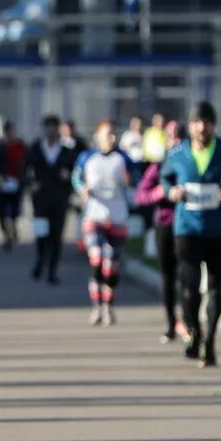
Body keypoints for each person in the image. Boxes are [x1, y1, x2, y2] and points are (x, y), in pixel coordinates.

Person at [159, 101, 221, 368]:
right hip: (187, 230)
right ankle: (194, 332)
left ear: (213, 124)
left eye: (207, 122)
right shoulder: (178, 153)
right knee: (189, 288)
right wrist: (172, 192)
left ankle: (209, 342)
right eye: (197, 122)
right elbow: (164, 178)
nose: (202, 127)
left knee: (215, 287)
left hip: (217, 230)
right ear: (190, 126)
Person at [133, 119, 186, 343]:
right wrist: (158, 193)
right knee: (168, 274)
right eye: (172, 137)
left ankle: (188, 321)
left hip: (189, 226)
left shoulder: (191, 163)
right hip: (166, 224)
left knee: (188, 275)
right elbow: (140, 196)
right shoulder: (159, 165)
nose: (175, 142)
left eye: (179, 137)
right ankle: (170, 322)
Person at [78, 120, 133, 326]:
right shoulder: (87, 157)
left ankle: (109, 305)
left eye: (113, 134)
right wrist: (82, 188)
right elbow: (77, 177)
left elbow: (136, 177)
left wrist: (131, 179)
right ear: (97, 136)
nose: (110, 139)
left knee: (111, 265)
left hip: (117, 216)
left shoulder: (123, 158)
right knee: (97, 258)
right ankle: (96, 306)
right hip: (94, 216)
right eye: (106, 135)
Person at [23, 114, 77, 284]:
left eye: (54, 129)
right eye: (48, 129)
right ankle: (40, 261)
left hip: (60, 199)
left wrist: (67, 177)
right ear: (44, 130)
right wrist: (31, 184)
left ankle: (52, 270)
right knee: (41, 234)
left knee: (56, 235)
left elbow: (76, 174)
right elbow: (23, 169)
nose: (51, 132)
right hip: (40, 199)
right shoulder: (36, 148)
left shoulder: (66, 151)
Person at [0, 119, 26, 248]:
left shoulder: (21, 146)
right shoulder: (0, 146)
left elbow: (25, 163)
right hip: (3, 181)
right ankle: (6, 235)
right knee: (1, 211)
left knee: (14, 211)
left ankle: (13, 233)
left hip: (17, 181)